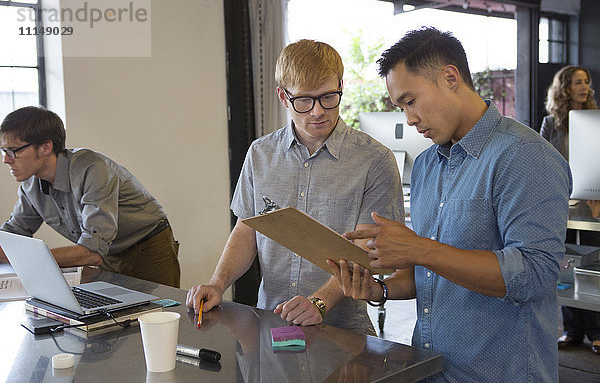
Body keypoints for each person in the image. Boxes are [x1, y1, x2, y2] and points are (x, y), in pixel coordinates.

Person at [327, 27, 571, 382]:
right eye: (400, 108)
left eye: (411, 101)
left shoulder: (524, 156)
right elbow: (428, 278)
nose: (408, 119)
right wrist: (379, 290)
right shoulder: (426, 167)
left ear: (451, 77)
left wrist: (420, 248)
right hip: (432, 369)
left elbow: (534, 276)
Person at [186, 39, 404, 335]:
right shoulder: (260, 153)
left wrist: (320, 302)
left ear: (341, 86)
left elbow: (365, 250)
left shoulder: (375, 161)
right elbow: (247, 229)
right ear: (283, 96)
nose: (317, 112)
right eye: (304, 100)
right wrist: (217, 283)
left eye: (328, 97)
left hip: (342, 332)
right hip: (269, 325)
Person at [0, 106, 181, 287]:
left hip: (147, 246)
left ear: (46, 147)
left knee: (159, 311)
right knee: (115, 312)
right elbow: (11, 235)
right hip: (107, 252)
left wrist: (32, 259)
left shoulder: (93, 169)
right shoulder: (30, 186)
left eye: (13, 151)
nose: (6, 159)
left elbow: (91, 253)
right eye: (4, 151)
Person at [541, 65, 600, 355]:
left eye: (587, 82)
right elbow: (542, 161)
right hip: (560, 203)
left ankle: (597, 332)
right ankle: (572, 330)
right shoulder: (551, 123)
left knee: (592, 263)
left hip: (592, 205)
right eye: (578, 82)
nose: (585, 87)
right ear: (565, 87)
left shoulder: (595, 120)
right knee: (565, 265)